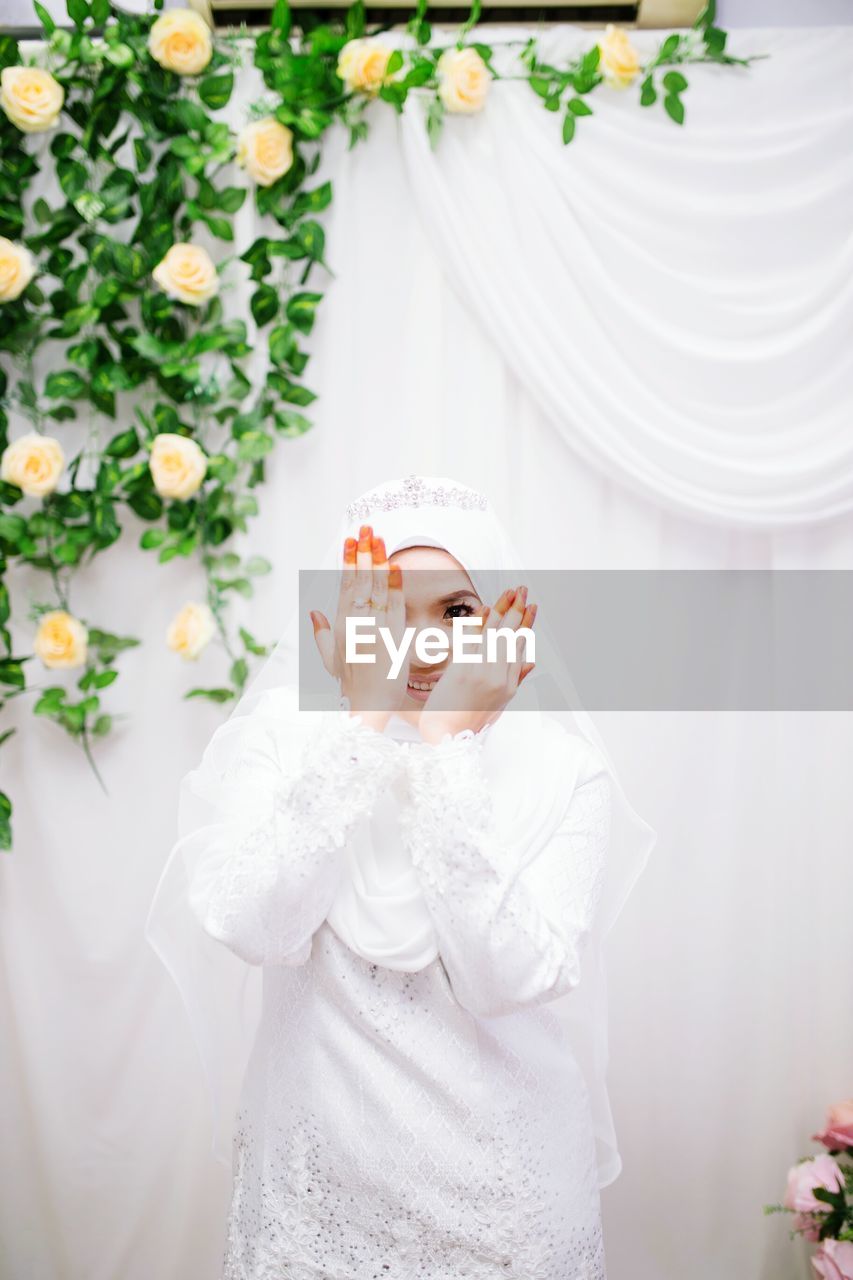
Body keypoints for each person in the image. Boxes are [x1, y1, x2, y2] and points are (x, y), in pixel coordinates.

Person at [145, 474, 656, 1280]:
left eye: (455, 611)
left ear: (499, 617)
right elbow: (251, 924)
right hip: (315, 1197)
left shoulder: (561, 768)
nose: (423, 644)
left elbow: (507, 978)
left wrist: (450, 752)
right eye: (386, 609)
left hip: (504, 1197)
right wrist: (361, 726)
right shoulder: (286, 736)